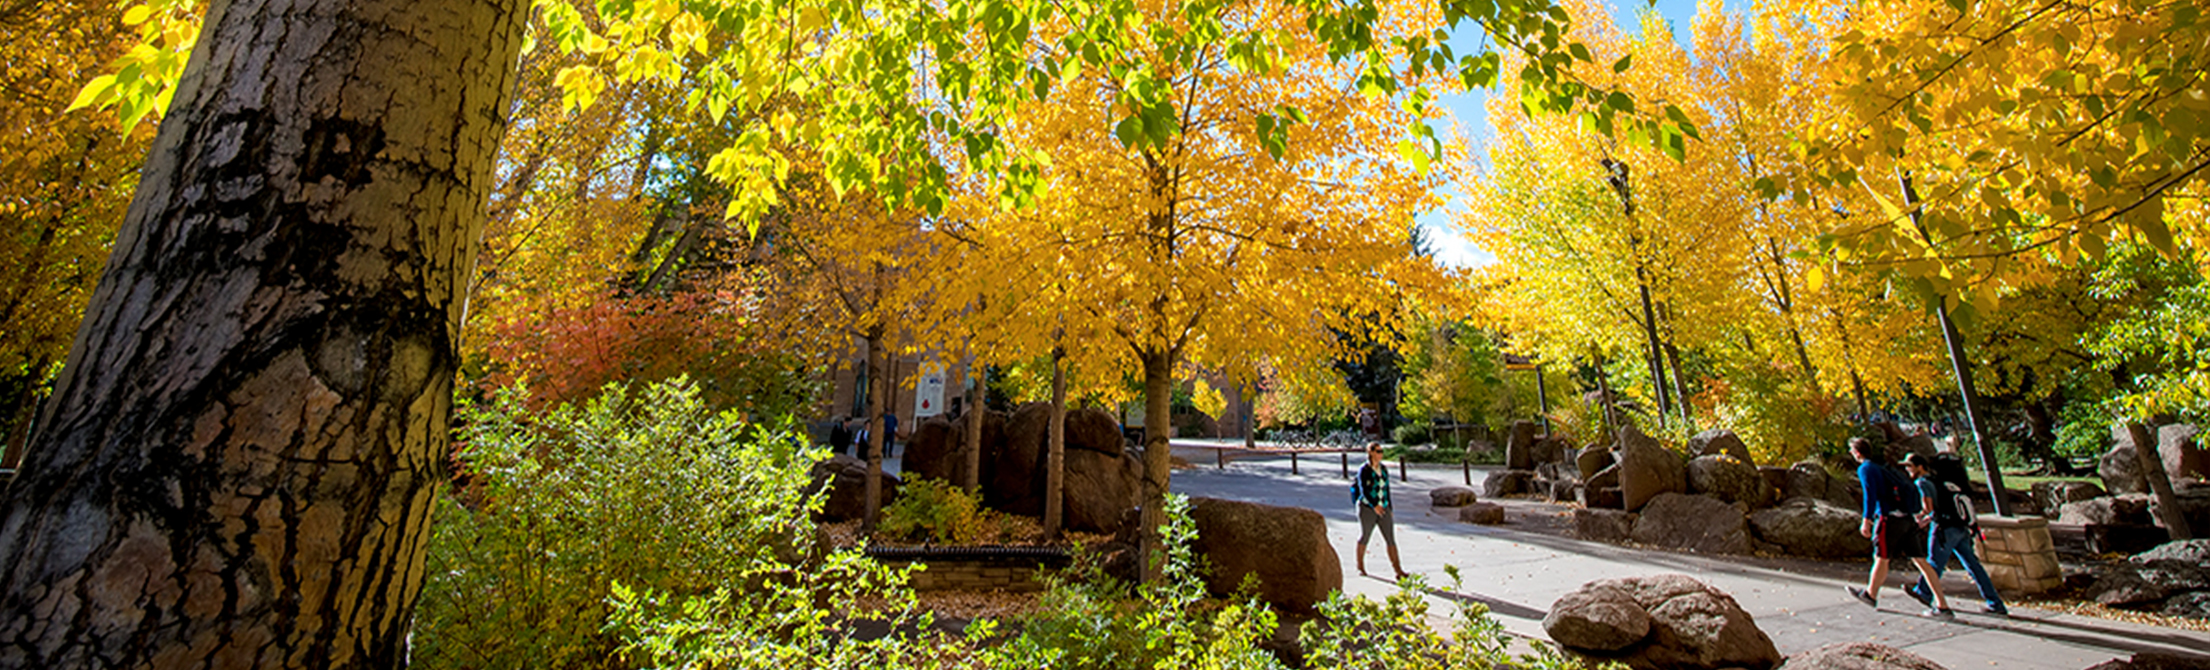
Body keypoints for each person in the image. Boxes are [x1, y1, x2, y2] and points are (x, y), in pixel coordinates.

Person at [1846, 438, 1954, 618]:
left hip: (1889, 519)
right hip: (1906, 519)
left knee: (1881, 557)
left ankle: (1870, 595)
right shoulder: (1883, 467)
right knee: (1921, 561)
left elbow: (1869, 495)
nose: (1851, 454)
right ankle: (1943, 605)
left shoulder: (1866, 469)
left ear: (1857, 453)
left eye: (1851, 451)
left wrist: (1866, 520)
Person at [1902, 453, 2009, 616]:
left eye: (1909, 466)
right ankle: (1995, 603)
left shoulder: (1922, 483)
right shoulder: (1939, 481)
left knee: (1934, 563)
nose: (1907, 469)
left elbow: (1928, 508)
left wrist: (1918, 518)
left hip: (1943, 529)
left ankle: (1925, 592)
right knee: (1973, 566)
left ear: (1920, 466)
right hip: (1960, 527)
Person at [1352, 442, 1408, 580]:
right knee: (1365, 536)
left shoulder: (1383, 469)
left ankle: (1398, 570)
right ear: (1371, 452)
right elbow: (1364, 490)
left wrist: (1390, 508)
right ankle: (1360, 566)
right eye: (1378, 451)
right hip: (1367, 508)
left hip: (1384, 508)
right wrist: (1374, 505)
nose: (1381, 454)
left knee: (1390, 539)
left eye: (1382, 451)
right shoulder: (1364, 470)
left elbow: (1387, 489)